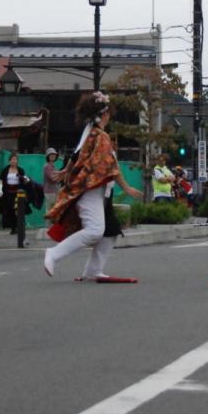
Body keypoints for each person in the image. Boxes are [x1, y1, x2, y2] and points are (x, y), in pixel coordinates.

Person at [44, 92, 143, 280]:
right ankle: (54, 254)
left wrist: (66, 171)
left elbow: (77, 156)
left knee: (110, 230)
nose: (110, 116)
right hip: (91, 189)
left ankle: (93, 269)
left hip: (101, 191)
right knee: (95, 230)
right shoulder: (100, 136)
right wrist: (127, 187)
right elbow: (110, 167)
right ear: (104, 114)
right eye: (108, 112)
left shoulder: (91, 133)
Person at [0, 152, 26, 231]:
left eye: (15, 159)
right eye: (12, 159)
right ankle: (12, 227)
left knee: (18, 210)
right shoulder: (5, 170)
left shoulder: (20, 170)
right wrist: (0, 190)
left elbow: (24, 180)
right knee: (10, 210)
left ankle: (19, 226)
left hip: (18, 193)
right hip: (8, 192)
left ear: (17, 161)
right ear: (9, 161)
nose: (13, 161)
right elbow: (0, 180)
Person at [43, 148, 63, 212]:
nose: (53, 156)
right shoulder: (47, 166)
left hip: (54, 191)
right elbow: (53, 178)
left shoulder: (53, 166)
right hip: (49, 192)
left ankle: (51, 222)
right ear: (48, 156)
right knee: (49, 210)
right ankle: (48, 222)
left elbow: (56, 177)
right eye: (51, 155)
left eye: (54, 155)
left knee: (53, 210)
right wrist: (60, 176)